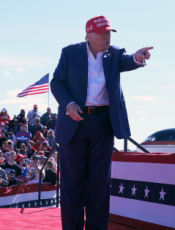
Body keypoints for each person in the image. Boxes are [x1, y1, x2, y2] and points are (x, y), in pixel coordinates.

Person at [50, 15, 153, 230]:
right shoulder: (70, 53)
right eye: (102, 32)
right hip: (74, 122)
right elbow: (57, 83)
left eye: (108, 32)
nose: (106, 36)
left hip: (102, 124)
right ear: (88, 34)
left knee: (99, 184)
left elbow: (127, 60)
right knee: (72, 185)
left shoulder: (115, 53)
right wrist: (68, 105)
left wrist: (138, 57)